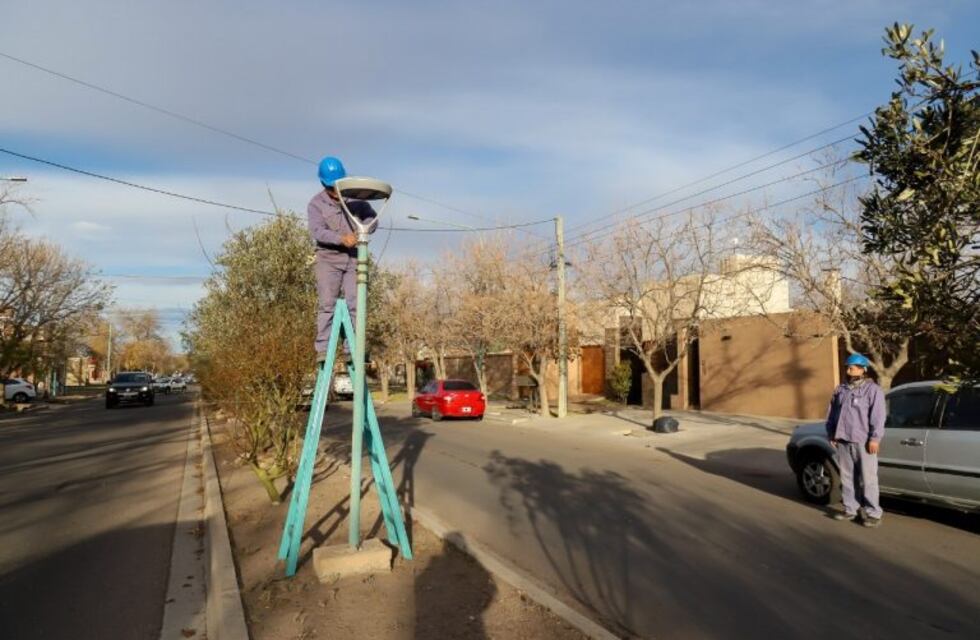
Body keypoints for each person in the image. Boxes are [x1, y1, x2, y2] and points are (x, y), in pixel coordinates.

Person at [307, 156, 377, 363]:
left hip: (354, 259)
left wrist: (364, 229)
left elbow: (372, 218)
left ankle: (353, 349)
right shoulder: (316, 204)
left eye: (338, 185)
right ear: (323, 184)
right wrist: (340, 239)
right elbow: (317, 231)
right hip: (328, 260)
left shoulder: (356, 199)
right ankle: (323, 349)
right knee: (327, 304)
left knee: (356, 304)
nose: (336, 191)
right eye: (331, 187)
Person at [824, 353, 887, 527]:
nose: (849, 370)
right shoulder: (840, 389)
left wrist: (875, 438)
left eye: (852, 367)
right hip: (843, 440)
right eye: (847, 367)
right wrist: (831, 433)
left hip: (863, 442)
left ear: (862, 369)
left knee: (868, 479)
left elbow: (878, 417)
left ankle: (873, 513)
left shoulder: (872, 390)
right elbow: (831, 414)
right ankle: (851, 509)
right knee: (847, 478)